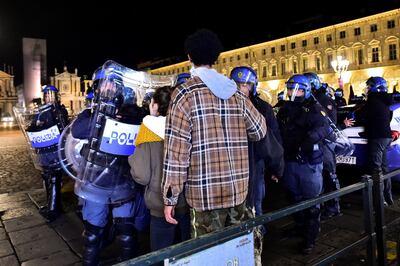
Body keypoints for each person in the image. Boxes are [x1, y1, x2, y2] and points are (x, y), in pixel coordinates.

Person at [162, 29, 266, 264]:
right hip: (238, 193)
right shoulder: (237, 94)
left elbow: (176, 155)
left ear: (189, 57)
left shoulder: (184, 94)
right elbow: (259, 130)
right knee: (239, 255)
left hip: (204, 196)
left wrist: (170, 198)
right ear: (216, 57)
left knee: (209, 257)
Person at [71, 67, 146, 265]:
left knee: (126, 234)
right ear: (98, 87)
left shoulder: (130, 113)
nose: (110, 88)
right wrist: (101, 116)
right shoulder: (89, 114)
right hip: (96, 182)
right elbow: (77, 131)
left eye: (113, 84)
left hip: (123, 181)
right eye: (106, 84)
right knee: (92, 235)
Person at [129, 86, 190, 252]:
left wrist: (132, 157)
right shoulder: (185, 126)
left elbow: (141, 175)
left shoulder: (147, 131)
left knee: (162, 254)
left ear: (155, 105)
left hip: (159, 203)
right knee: (188, 253)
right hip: (187, 200)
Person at [277, 74, 331, 254]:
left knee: (311, 202)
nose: (293, 93)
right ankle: (299, 227)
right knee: (294, 198)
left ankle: (310, 238)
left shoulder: (314, 108)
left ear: (306, 91)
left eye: (298, 90)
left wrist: (309, 140)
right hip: (290, 161)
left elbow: (324, 128)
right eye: (291, 89)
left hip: (309, 162)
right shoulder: (285, 109)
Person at [230, 66, 283, 217]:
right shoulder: (224, 105)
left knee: (254, 206)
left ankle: (256, 236)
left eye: (245, 85)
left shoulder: (263, 107)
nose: (241, 89)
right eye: (238, 85)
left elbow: (273, 140)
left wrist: (277, 167)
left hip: (255, 163)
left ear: (253, 87)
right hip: (231, 165)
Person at [26, 85, 69, 222]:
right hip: (44, 150)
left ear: (56, 97)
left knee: (54, 178)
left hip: (53, 149)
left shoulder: (59, 110)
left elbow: (63, 126)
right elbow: (34, 125)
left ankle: (52, 210)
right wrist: (32, 126)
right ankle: (55, 205)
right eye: (47, 95)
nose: (49, 97)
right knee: (47, 177)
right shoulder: (42, 111)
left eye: (52, 95)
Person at [304, 72, 341, 219]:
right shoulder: (312, 100)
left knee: (329, 175)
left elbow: (329, 123)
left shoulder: (323, 100)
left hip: (325, 143)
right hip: (317, 144)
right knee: (320, 177)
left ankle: (333, 207)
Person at [356, 76, 394, 205]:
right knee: (384, 168)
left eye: (368, 86)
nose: (367, 89)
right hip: (386, 136)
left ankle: (379, 200)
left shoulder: (372, 101)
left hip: (377, 137)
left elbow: (360, 115)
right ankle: (388, 197)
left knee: (376, 170)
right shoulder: (385, 100)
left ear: (374, 88)